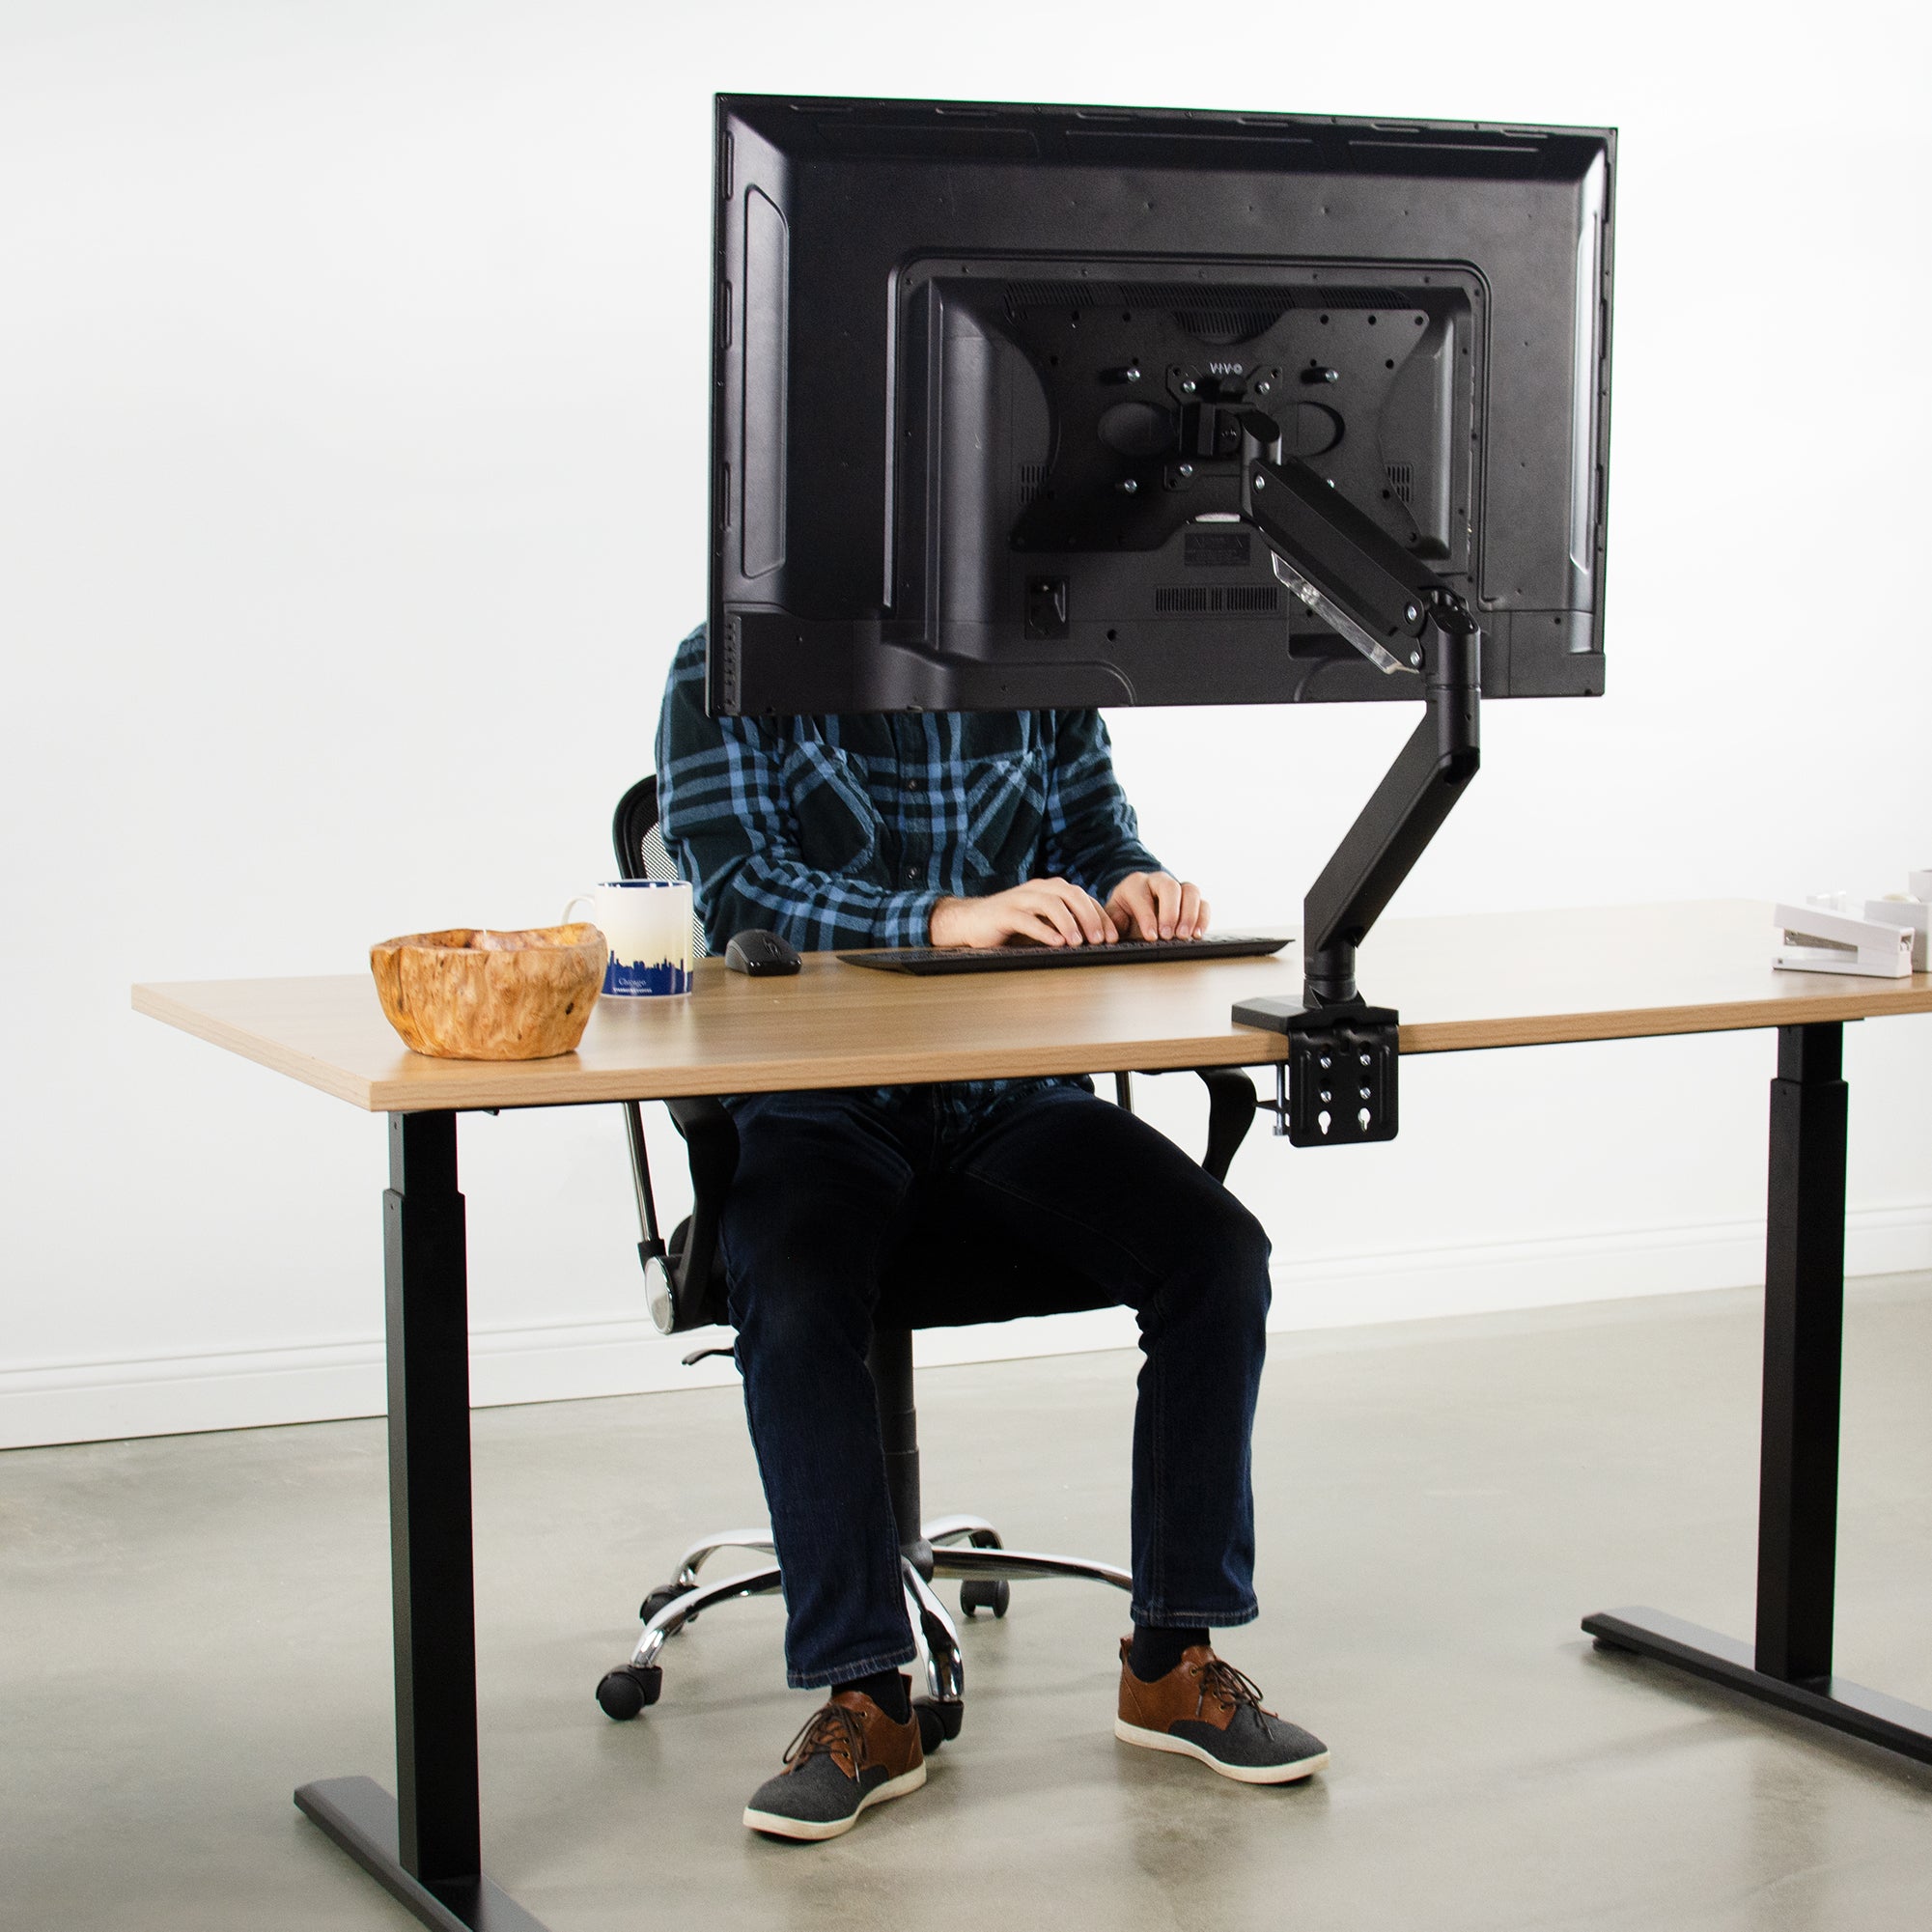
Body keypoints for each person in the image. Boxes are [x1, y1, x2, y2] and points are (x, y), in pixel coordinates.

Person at [656, 623, 1327, 1841]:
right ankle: (866, 1700)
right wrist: (945, 917)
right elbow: (742, 894)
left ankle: (1171, 1661)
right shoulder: (733, 663)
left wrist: (1130, 882)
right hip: (817, 1100)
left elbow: (1092, 833)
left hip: (1007, 1094)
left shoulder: (1034, 655)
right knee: (798, 1295)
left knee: (1217, 1256)